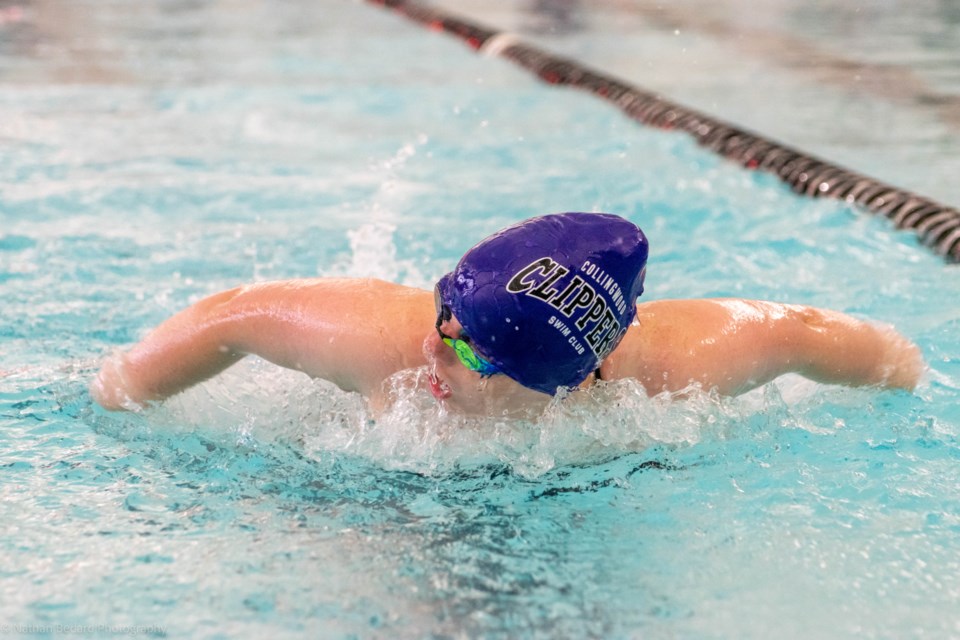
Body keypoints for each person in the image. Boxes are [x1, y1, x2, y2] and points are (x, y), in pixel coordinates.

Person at [91, 212, 924, 418]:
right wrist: (118, 386)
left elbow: (811, 333)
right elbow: (233, 314)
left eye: (481, 359)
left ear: (582, 377)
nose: (436, 354)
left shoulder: (681, 367)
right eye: (448, 320)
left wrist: (910, 378)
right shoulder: (386, 344)